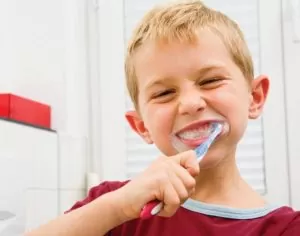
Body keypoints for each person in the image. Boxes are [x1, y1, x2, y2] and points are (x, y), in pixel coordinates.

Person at [26, 0, 300, 235]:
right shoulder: (114, 206)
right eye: (165, 93)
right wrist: (116, 208)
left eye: (211, 80)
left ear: (254, 97)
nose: (190, 104)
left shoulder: (286, 227)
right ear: (141, 126)